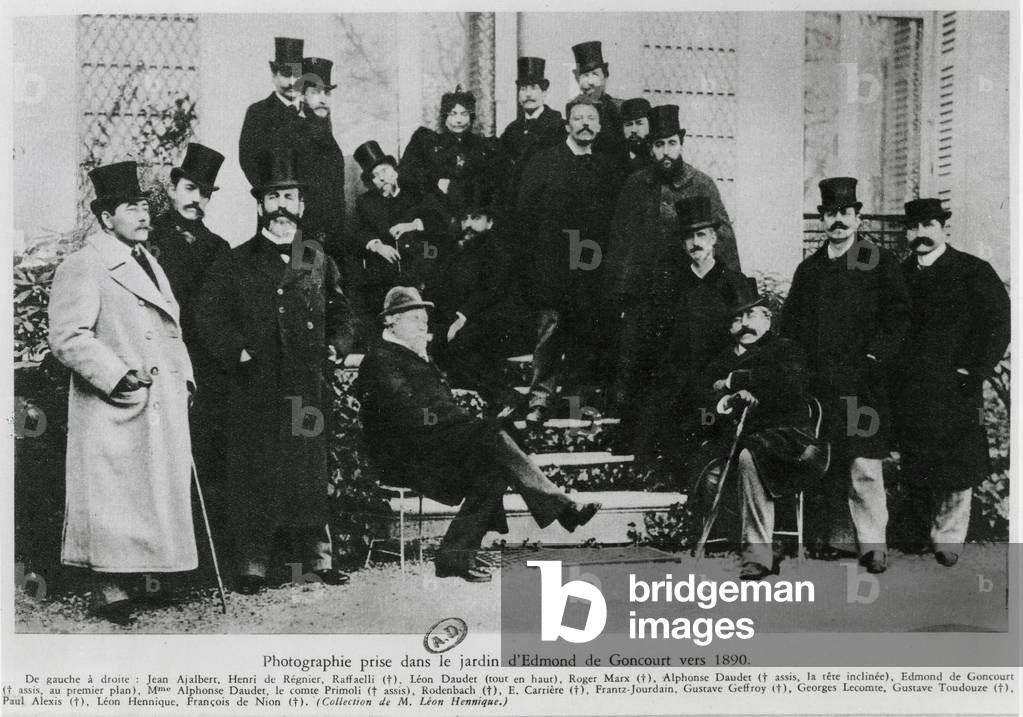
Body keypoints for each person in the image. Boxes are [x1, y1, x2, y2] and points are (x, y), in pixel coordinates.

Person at [355, 287, 601, 582]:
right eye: (414, 319)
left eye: (425, 320)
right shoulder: (380, 359)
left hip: (434, 446)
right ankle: (562, 508)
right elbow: (412, 413)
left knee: (494, 466)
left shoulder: (416, 354)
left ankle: (454, 556)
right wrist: (465, 423)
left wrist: (465, 424)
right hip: (403, 457)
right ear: (390, 321)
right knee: (493, 435)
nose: (423, 326)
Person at [196, 148, 356, 594]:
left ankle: (317, 559)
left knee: (308, 472)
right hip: (256, 386)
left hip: (306, 383)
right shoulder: (236, 261)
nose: (282, 207)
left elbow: (343, 312)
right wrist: (238, 354)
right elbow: (208, 315)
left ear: (302, 206)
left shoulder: (317, 258)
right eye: (273, 198)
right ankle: (253, 565)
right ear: (260, 206)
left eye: (289, 198)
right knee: (256, 473)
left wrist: (336, 346)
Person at [49, 161, 197, 624]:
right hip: (114, 401)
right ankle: (108, 587)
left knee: (151, 490)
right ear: (106, 217)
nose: (144, 215)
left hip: (160, 396)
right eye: (131, 208)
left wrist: (186, 378)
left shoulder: (149, 262)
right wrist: (116, 376)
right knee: (113, 493)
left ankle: (148, 578)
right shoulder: (84, 265)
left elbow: (170, 330)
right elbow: (68, 336)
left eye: (145, 206)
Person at [779, 177, 911, 574]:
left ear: (857, 217)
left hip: (863, 382)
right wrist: (798, 372)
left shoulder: (877, 260)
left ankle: (873, 546)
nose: (838, 220)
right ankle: (834, 539)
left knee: (864, 463)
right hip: (820, 385)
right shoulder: (810, 269)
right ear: (822, 219)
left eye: (845, 213)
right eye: (831, 213)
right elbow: (791, 328)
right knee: (827, 460)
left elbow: (898, 317)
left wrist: (874, 357)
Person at [891, 198, 1010, 566]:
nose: (921, 234)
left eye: (929, 225)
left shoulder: (972, 271)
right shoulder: (899, 275)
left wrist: (973, 369)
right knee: (916, 457)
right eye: (914, 227)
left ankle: (949, 540)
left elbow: (999, 322)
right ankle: (916, 534)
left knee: (958, 462)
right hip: (912, 386)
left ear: (944, 228)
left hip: (956, 385)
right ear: (906, 233)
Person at [695, 291, 829, 580]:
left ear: (769, 320)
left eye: (751, 316)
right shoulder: (718, 362)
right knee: (713, 471)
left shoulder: (786, 350)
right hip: (734, 441)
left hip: (788, 437)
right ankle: (746, 543)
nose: (744, 324)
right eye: (736, 318)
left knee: (751, 456)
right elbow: (704, 402)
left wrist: (735, 381)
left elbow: (788, 385)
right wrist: (727, 401)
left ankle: (757, 555)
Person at [625, 196, 750, 474]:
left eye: (702, 235)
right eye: (689, 237)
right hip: (676, 382)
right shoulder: (669, 285)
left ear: (714, 238)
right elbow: (654, 340)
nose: (695, 243)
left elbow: (748, 339)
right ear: (682, 244)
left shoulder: (734, 284)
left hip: (718, 381)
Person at [148, 143, 230, 558]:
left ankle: (200, 554)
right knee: (160, 456)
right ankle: (160, 555)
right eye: (190, 189)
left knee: (205, 452)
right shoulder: (149, 239)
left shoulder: (219, 248)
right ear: (173, 188)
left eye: (206, 193)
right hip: (158, 361)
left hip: (207, 366)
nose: (197, 199)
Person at [516, 97, 621, 424]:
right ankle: (539, 402)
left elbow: (612, 224)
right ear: (567, 125)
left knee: (583, 341)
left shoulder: (606, 169)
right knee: (549, 336)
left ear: (600, 127)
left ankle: (576, 407)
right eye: (578, 118)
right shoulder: (544, 162)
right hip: (552, 269)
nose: (585, 123)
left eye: (591, 118)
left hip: (589, 269)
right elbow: (525, 218)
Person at [606, 103, 740, 312]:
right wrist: (618, 295)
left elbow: (724, 242)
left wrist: (735, 297)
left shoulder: (701, 184)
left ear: (681, 144)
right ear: (651, 148)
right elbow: (619, 242)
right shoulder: (635, 185)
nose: (666, 152)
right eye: (659, 145)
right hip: (642, 296)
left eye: (672, 143)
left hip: (687, 294)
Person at [429, 201, 532, 412]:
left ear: (489, 223)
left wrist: (460, 318)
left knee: (460, 345)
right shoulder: (458, 251)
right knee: (439, 345)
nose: (468, 224)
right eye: (465, 218)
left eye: (475, 218)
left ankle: (512, 401)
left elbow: (490, 291)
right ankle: (480, 405)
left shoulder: (498, 252)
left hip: (502, 319)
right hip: (470, 319)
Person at [351, 139, 447, 324]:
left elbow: (440, 222)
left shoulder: (417, 193)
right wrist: (377, 245)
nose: (381, 178)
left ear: (394, 172)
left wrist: (412, 225)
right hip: (386, 271)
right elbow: (358, 232)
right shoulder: (366, 202)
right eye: (375, 176)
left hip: (421, 261)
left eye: (384, 171)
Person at [399, 86, 501, 231]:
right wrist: (435, 182)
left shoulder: (482, 147)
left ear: (471, 117)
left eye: (464, 114)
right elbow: (412, 178)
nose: (458, 120)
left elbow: (489, 186)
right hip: (438, 218)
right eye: (453, 114)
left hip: (471, 220)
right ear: (445, 117)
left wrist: (454, 187)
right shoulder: (430, 145)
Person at [294, 56, 347, 264]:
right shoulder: (292, 137)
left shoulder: (331, 143)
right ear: (302, 96)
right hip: (301, 239)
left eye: (327, 93)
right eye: (315, 92)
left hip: (332, 241)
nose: (323, 99)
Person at [497, 57, 564, 214]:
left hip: (546, 206)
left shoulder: (559, 127)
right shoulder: (511, 130)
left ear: (544, 92)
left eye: (533, 88)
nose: (528, 94)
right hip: (516, 206)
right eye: (523, 89)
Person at [238, 37, 306, 189]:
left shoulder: (310, 113)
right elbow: (247, 160)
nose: (292, 82)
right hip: (272, 196)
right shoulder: (257, 112)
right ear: (274, 75)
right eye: (286, 74)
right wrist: (269, 192)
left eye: (297, 75)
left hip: (307, 200)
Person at [569, 41, 624, 159]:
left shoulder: (618, 108)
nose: (590, 82)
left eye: (595, 74)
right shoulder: (573, 108)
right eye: (585, 75)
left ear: (605, 76)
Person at [620, 97, 652, 176]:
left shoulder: (658, 158)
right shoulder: (615, 161)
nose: (633, 130)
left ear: (650, 125)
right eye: (628, 124)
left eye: (639, 123)